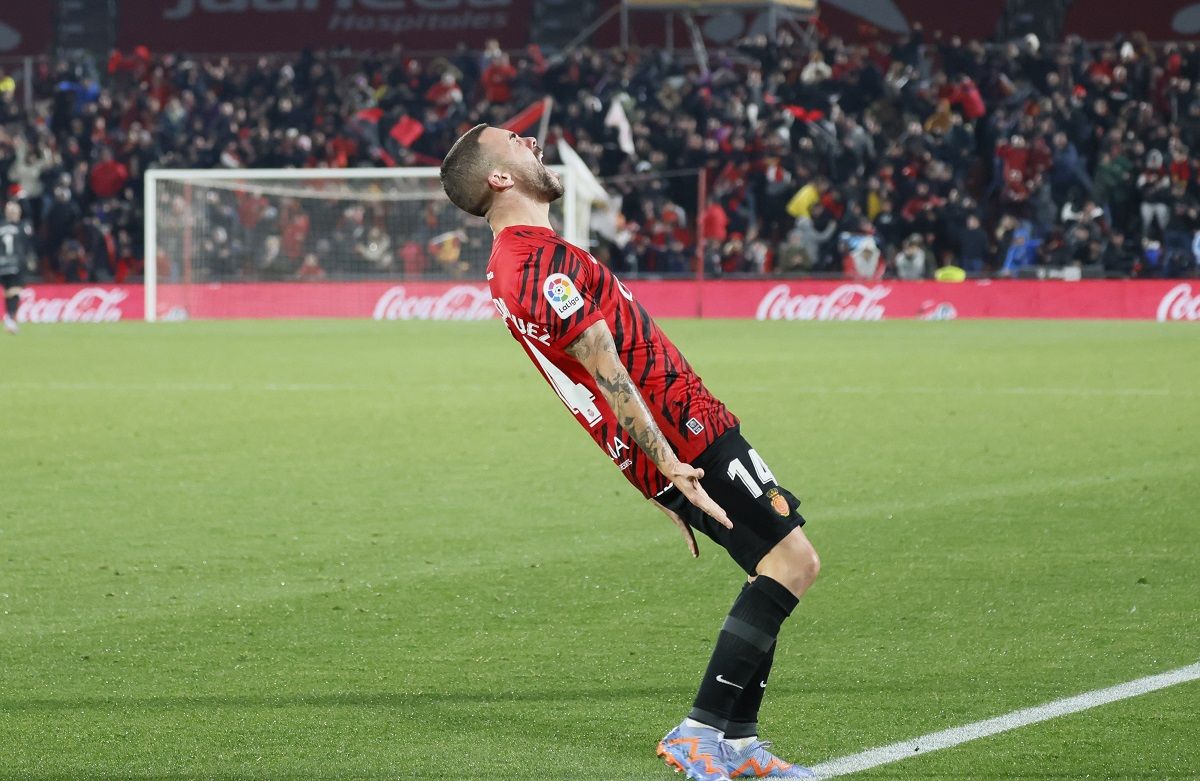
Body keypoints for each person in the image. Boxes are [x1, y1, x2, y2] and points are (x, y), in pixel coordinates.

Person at [440, 125, 820, 781]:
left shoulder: (527, 255)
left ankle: (737, 740)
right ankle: (702, 729)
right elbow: (597, 356)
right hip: (684, 432)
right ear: (497, 177)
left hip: (675, 436)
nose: (532, 141)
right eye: (515, 141)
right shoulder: (525, 261)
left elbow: (581, 380)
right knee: (793, 562)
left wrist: (654, 477)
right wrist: (666, 462)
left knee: (770, 565)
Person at [0, 201, 35, 334]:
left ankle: (9, 319)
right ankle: (10, 319)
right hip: (15, 263)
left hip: (2, 264)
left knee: (8, 291)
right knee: (15, 290)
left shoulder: (1, 226)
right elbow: (27, 243)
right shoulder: (22, 226)